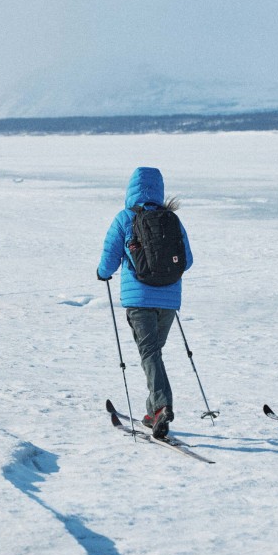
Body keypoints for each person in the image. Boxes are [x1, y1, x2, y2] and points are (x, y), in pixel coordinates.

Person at [97, 167, 193, 439]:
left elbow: (109, 259)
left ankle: (162, 407)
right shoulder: (171, 219)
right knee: (153, 353)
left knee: (150, 353)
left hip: (139, 299)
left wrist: (102, 273)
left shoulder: (125, 218)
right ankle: (153, 412)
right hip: (169, 300)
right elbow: (188, 260)